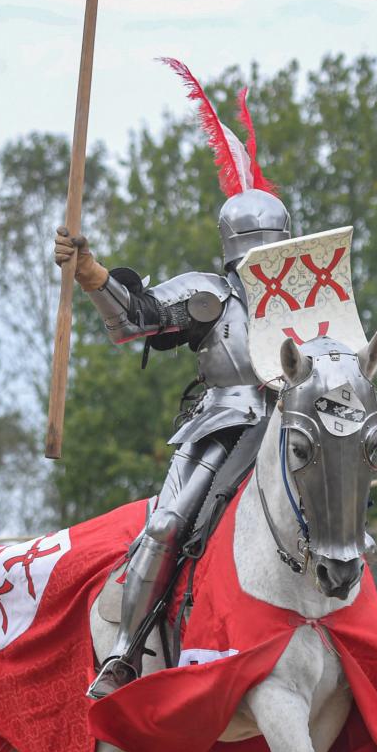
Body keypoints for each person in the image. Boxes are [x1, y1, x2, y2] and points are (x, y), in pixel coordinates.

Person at [53, 58, 294, 700]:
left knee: (347, 529)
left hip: (297, 428)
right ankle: (127, 652)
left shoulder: (305, 297)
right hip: (226, 428)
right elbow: (140, 320)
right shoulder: (210, 294)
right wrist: (93, 273)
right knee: (165, 525)